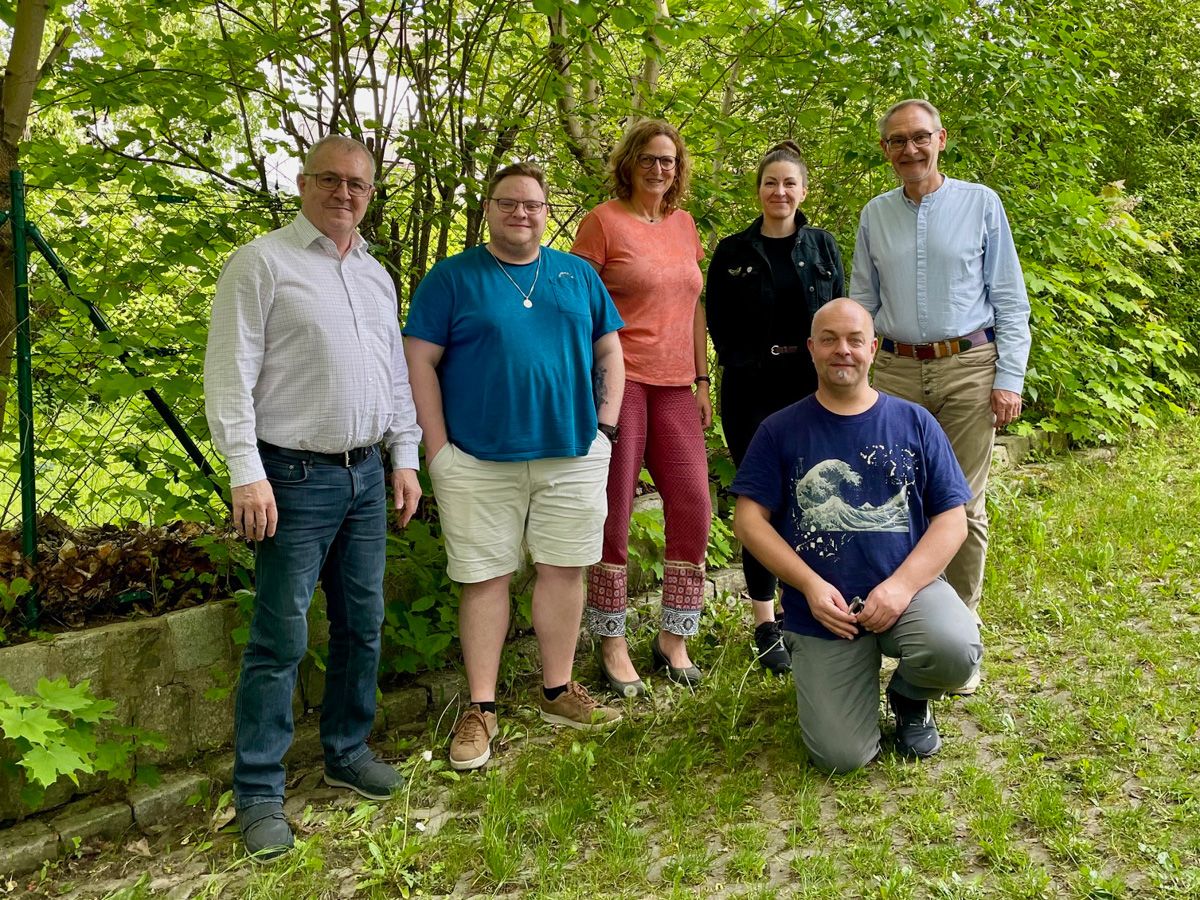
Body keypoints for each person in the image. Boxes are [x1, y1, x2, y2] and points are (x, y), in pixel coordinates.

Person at [204, 135, 422, 860]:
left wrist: (404, 457)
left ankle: (346, 753)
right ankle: (259, 793)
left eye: (358, 184)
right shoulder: (261, 264)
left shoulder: (375, 274)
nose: (345, 193)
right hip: (290, 478)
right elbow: (229, 374)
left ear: (370, 194)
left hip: (365, 476)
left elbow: (394, 376)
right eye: (330, 179)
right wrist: (244, 470)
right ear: (302, 183)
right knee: (280, 639)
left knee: (363, 622)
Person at [404, 163, 625, 771]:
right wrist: (438, 450)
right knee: (484, 577)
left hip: (573, 453)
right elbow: (418, 361)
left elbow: (609, 349)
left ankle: (556, 690)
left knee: (564, 570)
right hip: (476, 458)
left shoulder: (577, 276)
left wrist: (604, 429)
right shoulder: (452, 279)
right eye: (507, 203)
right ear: (488, 209)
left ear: (546, 211)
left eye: (531, 204)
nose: (520, 213)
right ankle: (481, 708)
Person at [732, 299, 981, 773]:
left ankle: (910, 696)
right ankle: (841, 680)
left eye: (853, 340)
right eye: (828, 339)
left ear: (873, 348)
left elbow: (952, 520)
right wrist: (808, 585)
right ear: (811, 349)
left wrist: (902, 586)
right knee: (841, 757)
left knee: (955, 650)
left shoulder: (914, 422)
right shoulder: (780, 431)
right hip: (823, 612)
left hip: (907, 594)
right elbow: (748, 521)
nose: (841, 350)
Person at [849, 99, 1031, 685]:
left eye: (919, 137)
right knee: (895, 503)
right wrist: (853, 374)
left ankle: (961, 632)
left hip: (968, 369)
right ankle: (904, 621)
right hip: (896, 374)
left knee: (962, 505)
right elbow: (862, 301)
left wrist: (1010, 377)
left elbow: (1009, 298)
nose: (910, 149)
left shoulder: (981, 204)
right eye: (897, 140)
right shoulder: (875, 215)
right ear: (886, 150)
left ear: (941, 139)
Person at [571, 119, 712, 695]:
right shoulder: (603, 222)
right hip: (621, 382)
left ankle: (673, 636)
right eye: (650, 158)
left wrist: (704, 378)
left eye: (669, 160)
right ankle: (610, 641)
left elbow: (696, 306)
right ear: (629, 163)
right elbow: (575, 305)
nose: (660, 169)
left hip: (679, 385)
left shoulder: (684, 225)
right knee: (614, 510)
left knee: (694, 503)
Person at [706, 140, 845, 676]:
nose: (780, 191)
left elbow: (839, 314)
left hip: (812, 388)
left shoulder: (824, 246)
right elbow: (716, 319)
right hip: (752, 391)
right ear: (759, 190)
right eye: (770, 183)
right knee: (761, 501)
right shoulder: (734, 253)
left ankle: (806, 609)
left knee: (813, 496)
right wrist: (744, 364)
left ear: (803, 190)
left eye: (790, 183)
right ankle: (765, 623)